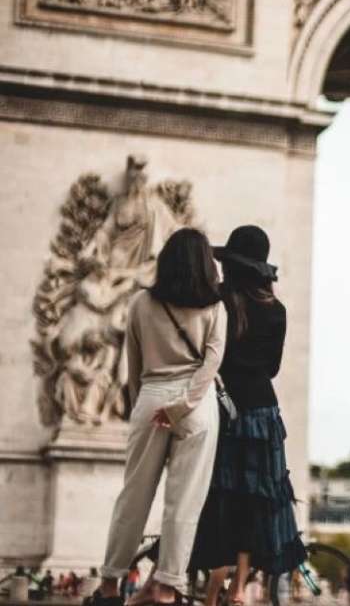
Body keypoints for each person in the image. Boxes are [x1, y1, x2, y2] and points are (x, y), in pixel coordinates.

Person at [88, 228, 227, 606]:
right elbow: (212, 363)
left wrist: (145, 406)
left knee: (133, 498)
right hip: (198, 408)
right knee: (184, 504)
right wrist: (184, 404)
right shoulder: (215, 306)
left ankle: (109, 586)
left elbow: (132, 365)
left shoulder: (140, 303)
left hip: (151, 398)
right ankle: (167, 588)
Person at [190, 225, 306, 605]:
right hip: (262, 411)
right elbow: (272, 368)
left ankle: (213, 585)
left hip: (222, 408)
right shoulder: (278, 311)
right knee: (254, 501)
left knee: (219, 496)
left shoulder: (219, 301)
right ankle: (240, 588)